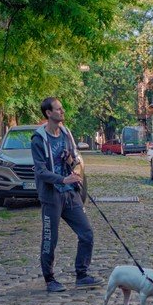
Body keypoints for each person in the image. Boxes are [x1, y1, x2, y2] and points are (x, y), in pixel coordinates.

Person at [31, 97, 101, 293]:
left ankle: (82, 274)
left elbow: (76, 158)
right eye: (58, 109)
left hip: (70, 194)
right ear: (48, 113)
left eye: (62, 108)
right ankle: (50, 279)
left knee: (86, 233)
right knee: (50, 238)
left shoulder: (66, 133)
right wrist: (62, 180)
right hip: (51, 196)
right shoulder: (39, 139)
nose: (62, 112)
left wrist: (74, 167)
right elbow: (41, 171)